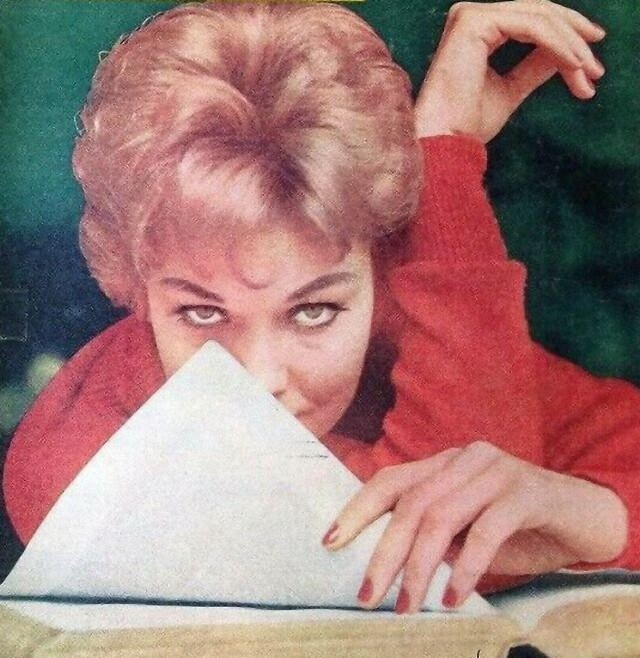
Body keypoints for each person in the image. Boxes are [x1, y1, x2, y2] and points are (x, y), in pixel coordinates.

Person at [3, 0, 639, 616]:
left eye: (313, 311)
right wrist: (442, 156)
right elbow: (433, 546)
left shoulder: (407, 329)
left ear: (381, 273)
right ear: (138, 292)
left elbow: (614, 435)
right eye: (201, 313)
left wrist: (590, 513)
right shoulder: (76, 456)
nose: (259, 380)